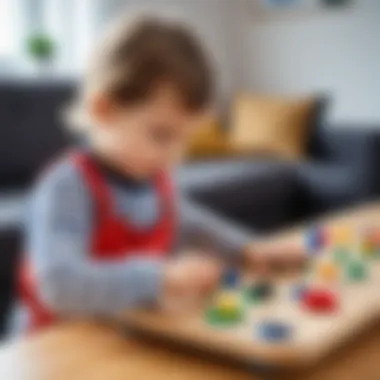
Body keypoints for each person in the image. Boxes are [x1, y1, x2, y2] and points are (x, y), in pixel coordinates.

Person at [16, 15, 303, 334]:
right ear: (103, 110)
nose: (174, 156)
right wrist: (159, 278)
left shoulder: (153, 181)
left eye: (185, 140)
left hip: (117, 338)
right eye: (161, 135)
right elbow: (58, 285)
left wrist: (248, 250)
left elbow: (193, 225)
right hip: (54, 348)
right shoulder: (66, 187)